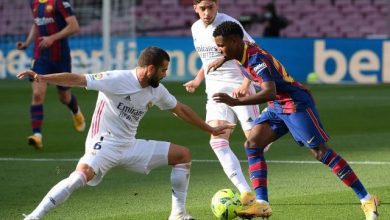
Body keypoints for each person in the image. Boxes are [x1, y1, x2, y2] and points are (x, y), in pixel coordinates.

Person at [17, 47, 233, 220]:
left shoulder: (156, 90)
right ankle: (35, 216)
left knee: (183, 155)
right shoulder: (116, 79)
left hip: (129, 146)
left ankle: (178, 214)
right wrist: (42, 77)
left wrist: (210, 128)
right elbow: (78, 79)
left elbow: (181, 110)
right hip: (103, 143)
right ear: (150, 68)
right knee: (79, 177)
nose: (165, 74)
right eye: (163, 70)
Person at [210, 21, 379, 219]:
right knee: (253, 144)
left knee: (320, 152)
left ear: (235, 41)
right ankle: (262, 204)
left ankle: (367, 199)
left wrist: (236, 102)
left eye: (221, 45)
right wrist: (224, 58)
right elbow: (241, 50)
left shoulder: (256, 59)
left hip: (294, 104)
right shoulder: (240, 52)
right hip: (277, 107)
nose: (218, 49)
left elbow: (270, 92)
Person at [184, 0, 265, 206]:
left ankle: (273, 126)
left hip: (240, 88)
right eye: (202, 8)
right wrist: (197, 80)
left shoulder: (229, 24)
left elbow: (254, 52)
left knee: (256, 144)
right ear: (195, 8)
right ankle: (246, 192)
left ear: (217, 5)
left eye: (210, 7)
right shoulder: (195, 29)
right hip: (215, 91)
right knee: (217, 141)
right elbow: (207, 60)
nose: (207, 12)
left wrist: (247, 82)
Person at [16, 0, 85, 149]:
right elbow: (36, 25)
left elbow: (74, 26)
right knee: (37, 95)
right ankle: (37, 135)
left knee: (64, 97)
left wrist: (52, 38)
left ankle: (75, 110)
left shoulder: (59, 2)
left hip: (60, 57)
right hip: (40, 57)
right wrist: (27, 43)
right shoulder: (33, 3)